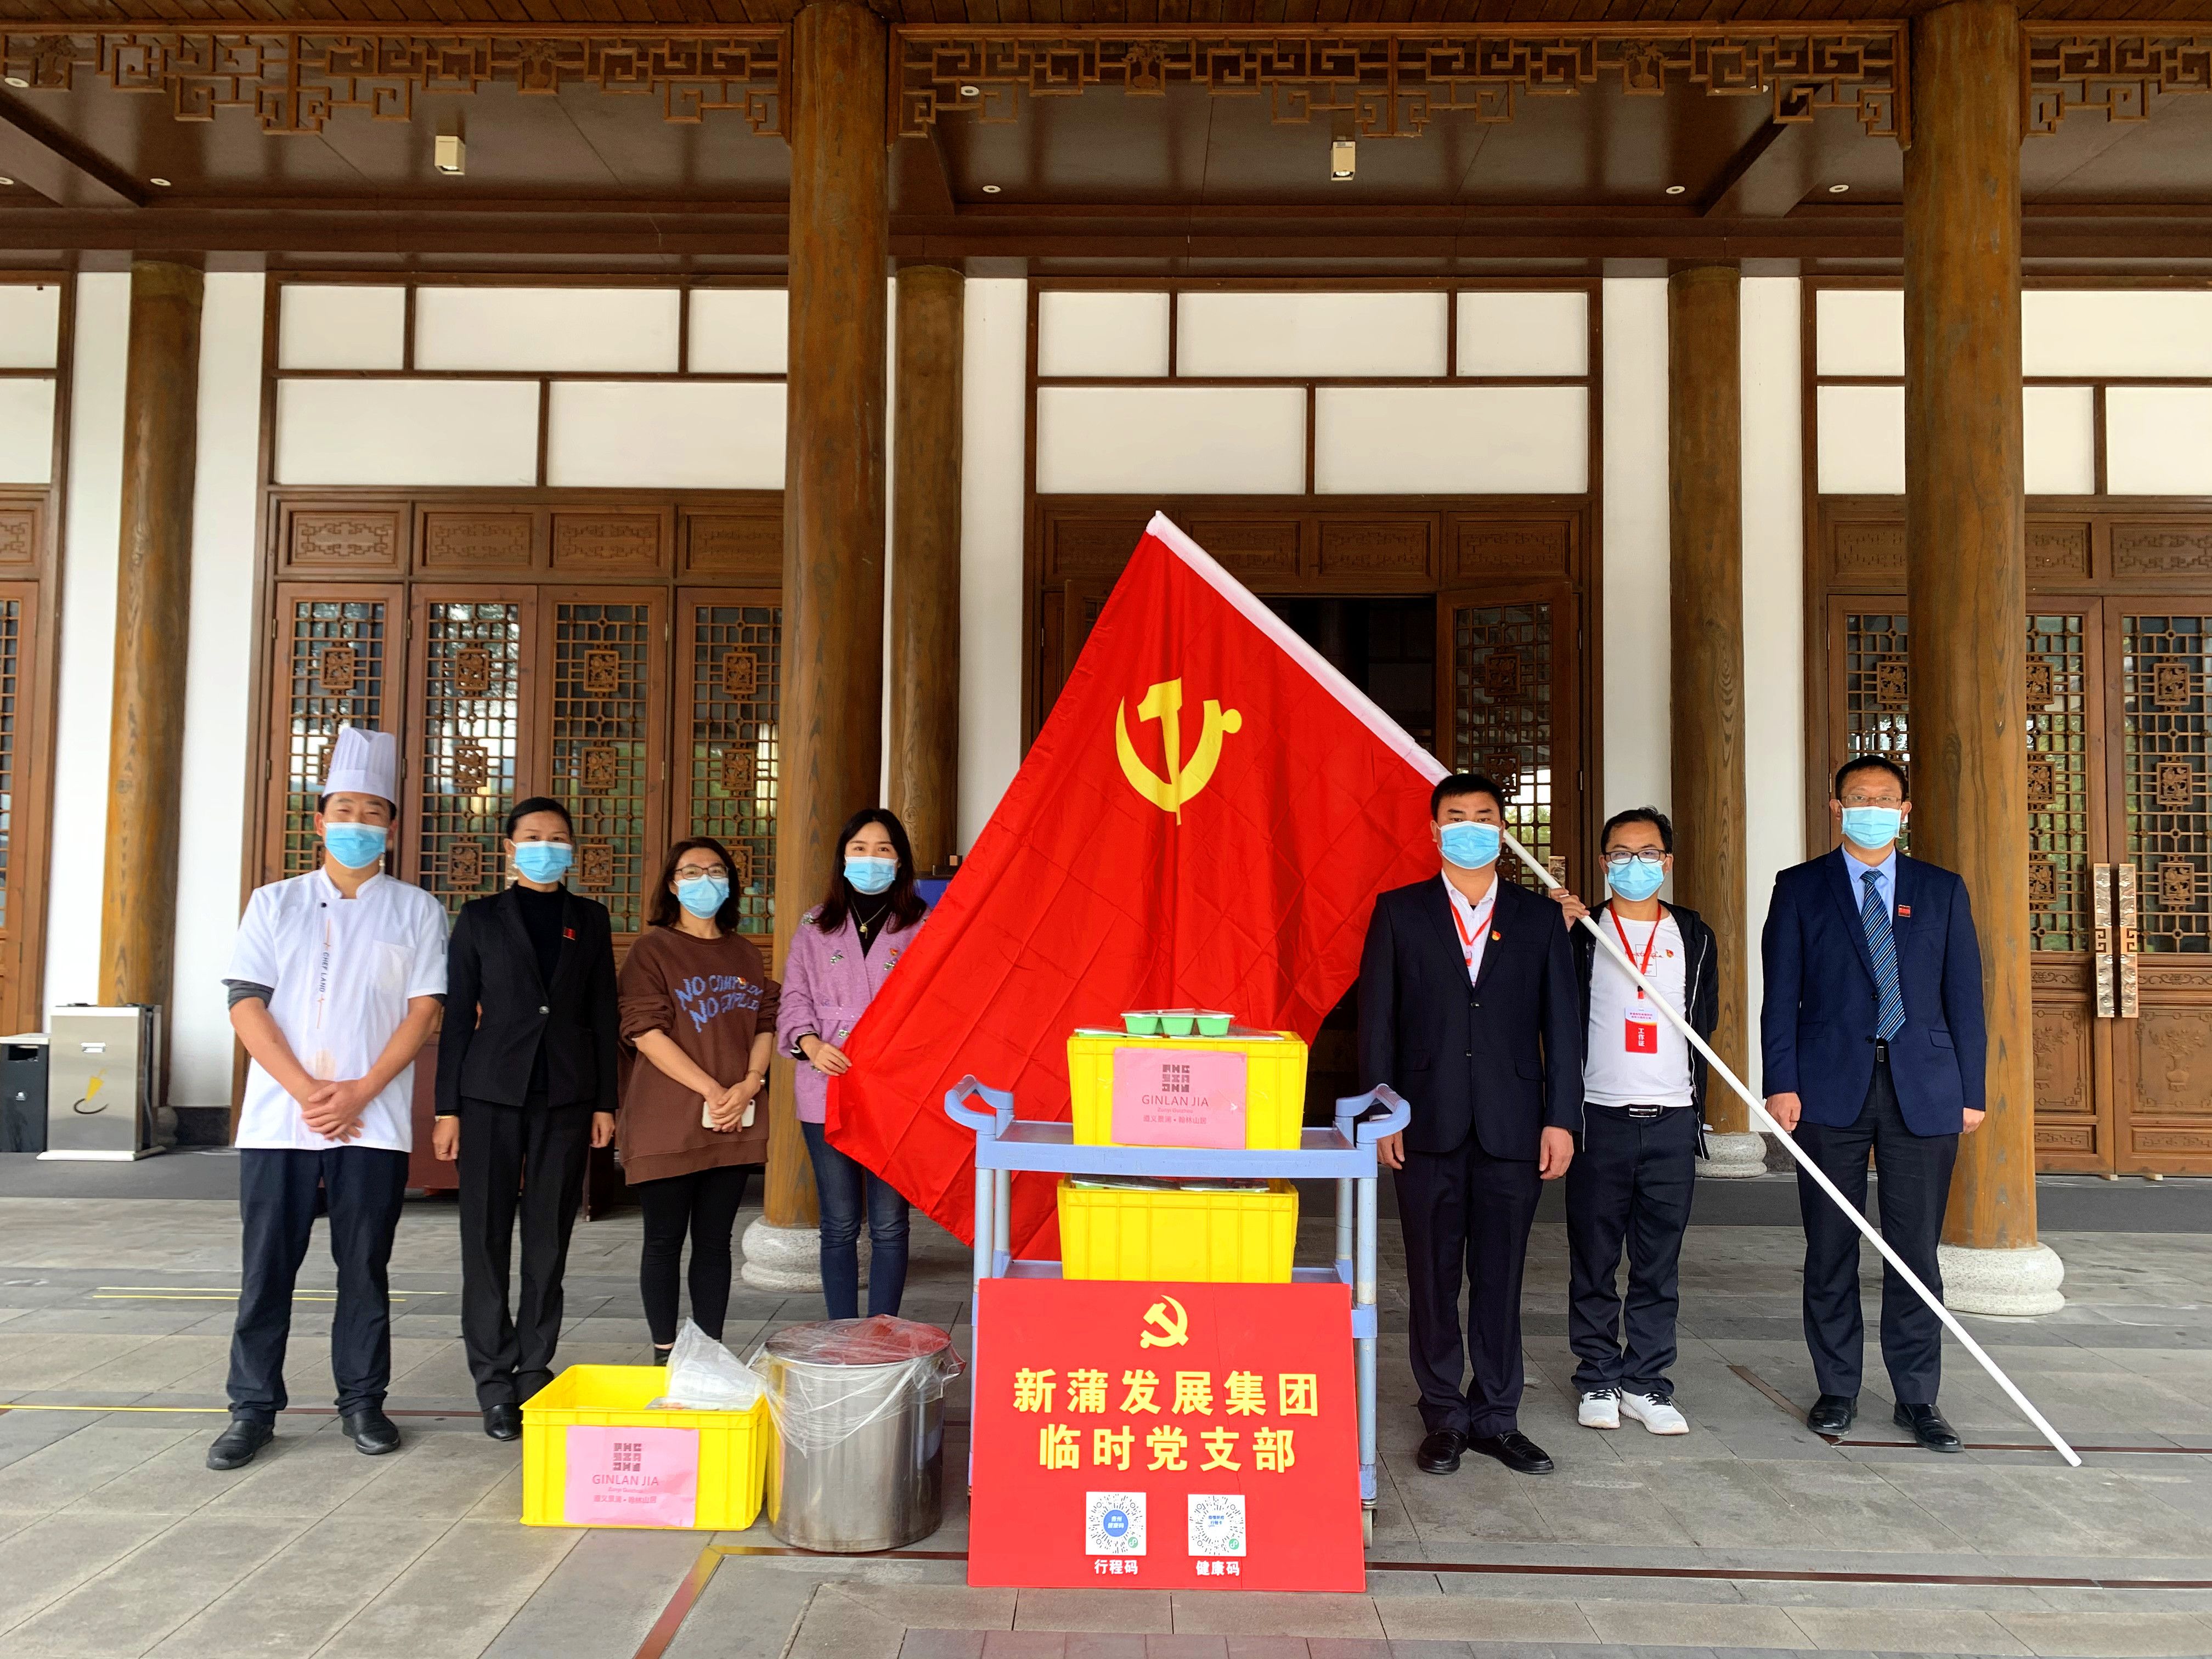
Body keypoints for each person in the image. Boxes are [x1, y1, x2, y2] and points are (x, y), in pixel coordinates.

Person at [209, 726, 449, 1471]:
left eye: (372, 812)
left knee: (364, 1266)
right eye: (343, 810)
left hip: (371, 1123)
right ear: (319, 820)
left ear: (392, 826)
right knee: (266, 1268)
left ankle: (362, 1401)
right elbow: (247, 1003)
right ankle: (251, 1408)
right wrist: (311, 1090)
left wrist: (362, 1092)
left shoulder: (417, 911)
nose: (357, 824)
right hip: (281, 1117)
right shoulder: (273, 903)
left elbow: (424, 1012)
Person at [1357, 771, 1582, 1477]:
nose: (1472, 826)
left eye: (1485, 815)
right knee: (1430, 1274)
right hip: (1424, 1123)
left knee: (1501, 1275)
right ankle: (1443, 1415)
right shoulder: (1400, 912)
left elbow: (1564, 1028)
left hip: (1516, 1126)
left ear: (1504, 828)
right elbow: (1377, 1024)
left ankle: (1497, 1416)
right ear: (1434, 828)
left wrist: (1562, 1119)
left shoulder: (1541, 918)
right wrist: (1380, 1111)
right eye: (1457, 816)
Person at [1761, 755, 1985, 1454]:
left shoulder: (1940, 890)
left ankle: (1918, 1397)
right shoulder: (1799, 888)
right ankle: (1838, 1387)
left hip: (1923, 1087)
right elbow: (1781, 995)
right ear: (1835, 807)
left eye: (1884, 799)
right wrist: (1780, 1081)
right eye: (1858, 797)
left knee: (1915, 1251)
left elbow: (1965, 998)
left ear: (1905, 811)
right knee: (1830, 1244)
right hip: (1829, 1087)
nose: (1871, 807)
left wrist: (1971, 1091)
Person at [432, 795, 619, 1441]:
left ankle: (534, 1370)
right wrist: (446, 1107)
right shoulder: (479, 918)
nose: (547, 846)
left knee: (548, 1241)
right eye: (534, 836)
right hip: (489, 1096)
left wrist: (605, 1101)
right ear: (510, 847)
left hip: (565, 1097)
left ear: (572, 848)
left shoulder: (589, 919)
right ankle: (492, 1379)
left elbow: (603, 1014)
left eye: (558, 837)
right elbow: (458, 1018)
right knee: (484, 1241)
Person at [1549, 808, 1718, 1437]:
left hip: (1672, 1119)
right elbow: (1553, 1012)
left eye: (1648, 854)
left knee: (1658, 1262)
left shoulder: (1693, 935)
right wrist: (1556, 931)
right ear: (1603, 863)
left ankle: (1646, 1379)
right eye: (1621, 854)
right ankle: (1596, 1373)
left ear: (1668, 863)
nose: (1635, 865)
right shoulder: (1582, 929)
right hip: (1600, 1119)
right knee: (1594, 1256)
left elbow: (1708, 1018)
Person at [618, 836, 779, 1366]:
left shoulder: (743, 952)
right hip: (669, 1121)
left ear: (730, 882)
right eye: (690, 871)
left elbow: (765, 1021)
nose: (703, 879)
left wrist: (751, 1082)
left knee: (714, 1244)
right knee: (663, 1243)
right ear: (672, 883)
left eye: (714, 870)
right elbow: (644, 1030)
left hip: (732, 1122)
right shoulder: (652, 950)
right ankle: (666, 1354)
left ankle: (708, 1352)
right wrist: (713, 1090)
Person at [777, 808, 929, 1320]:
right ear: (843, 856)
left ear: (901, 860)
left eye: (883, 849)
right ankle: (842, 1329)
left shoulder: (923, 925)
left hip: (893, 1087)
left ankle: (883, 1328)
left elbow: (937, 1004)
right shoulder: (815, 924)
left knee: (889, 1222)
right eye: (860, 848)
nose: (871, 858)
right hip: (827, 1079)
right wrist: (810, 1043)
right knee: (839, 1221)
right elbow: (793, 995)